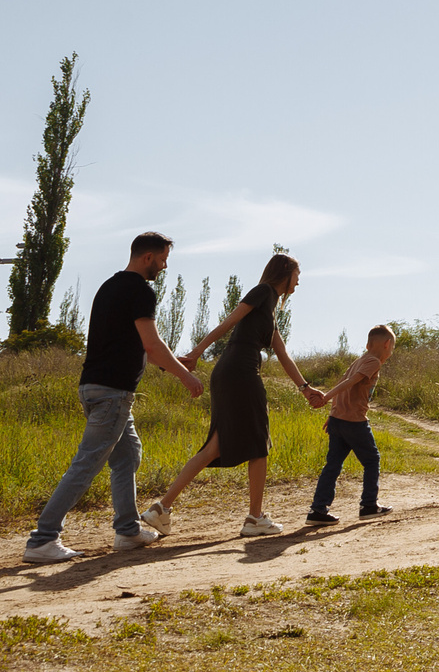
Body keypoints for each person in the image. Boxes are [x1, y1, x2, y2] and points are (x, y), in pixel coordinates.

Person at [23, 231, 204, 564]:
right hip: (113, 394)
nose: (164, 267)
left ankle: (127, 530)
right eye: (163, 259)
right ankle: (42, 539)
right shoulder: (140, 291)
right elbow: (152, 344)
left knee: (127, 455)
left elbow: (132, 346)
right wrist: (185, 376)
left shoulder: (109, 287)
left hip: (93, 387)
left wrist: (172, 364)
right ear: (147, 257)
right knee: (85, 465)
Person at [142, 253, 322, 538]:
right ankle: (255, 518)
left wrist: (305, 388)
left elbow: (283, 354)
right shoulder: (263, 291)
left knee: (215, 446)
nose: (298, 282)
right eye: (297, 275)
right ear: (285, 273)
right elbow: (228, 323)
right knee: (259, 442)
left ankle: (161, 509)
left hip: (231, 372)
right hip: (241, 372)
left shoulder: (270, 307)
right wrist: (195, 353)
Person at [305, 323, 397, 524]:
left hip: (338, 421)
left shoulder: (359, 360)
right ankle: (369, 505)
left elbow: (343, 385)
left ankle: (317, 510)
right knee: (372, 460)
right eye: (392, 347)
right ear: (387, 344)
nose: (391, 351)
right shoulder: (373, 362)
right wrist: (326, 398)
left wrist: (333, 415)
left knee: (333, 465)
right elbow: (351, 382)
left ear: (367, 344)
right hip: (354, 422)